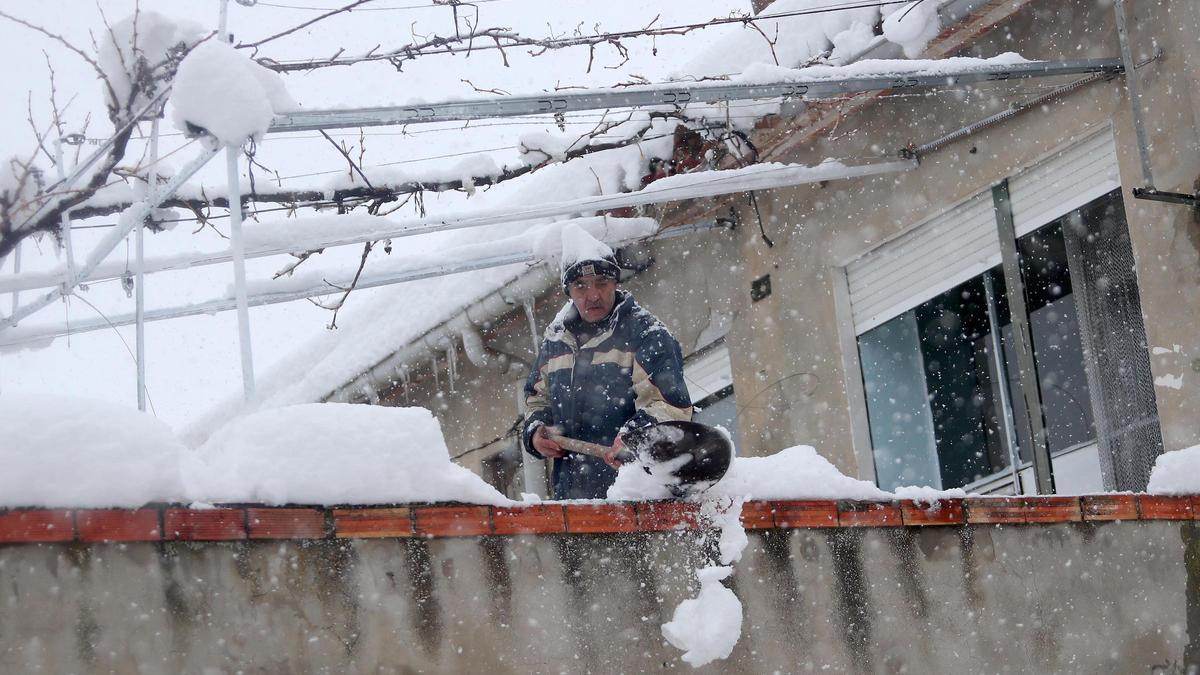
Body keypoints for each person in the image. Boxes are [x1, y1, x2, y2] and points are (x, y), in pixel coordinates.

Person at [522, 249, 693, 499]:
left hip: (639, 497)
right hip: (572, 499)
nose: (592, 295)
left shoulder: (647, 335)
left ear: (615, 283)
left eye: (602, 283)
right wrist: (536, 432)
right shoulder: (556, 340)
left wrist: (634, 437)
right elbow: (536, 400)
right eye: (580, 286)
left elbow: (672, 407)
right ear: (568, 292)